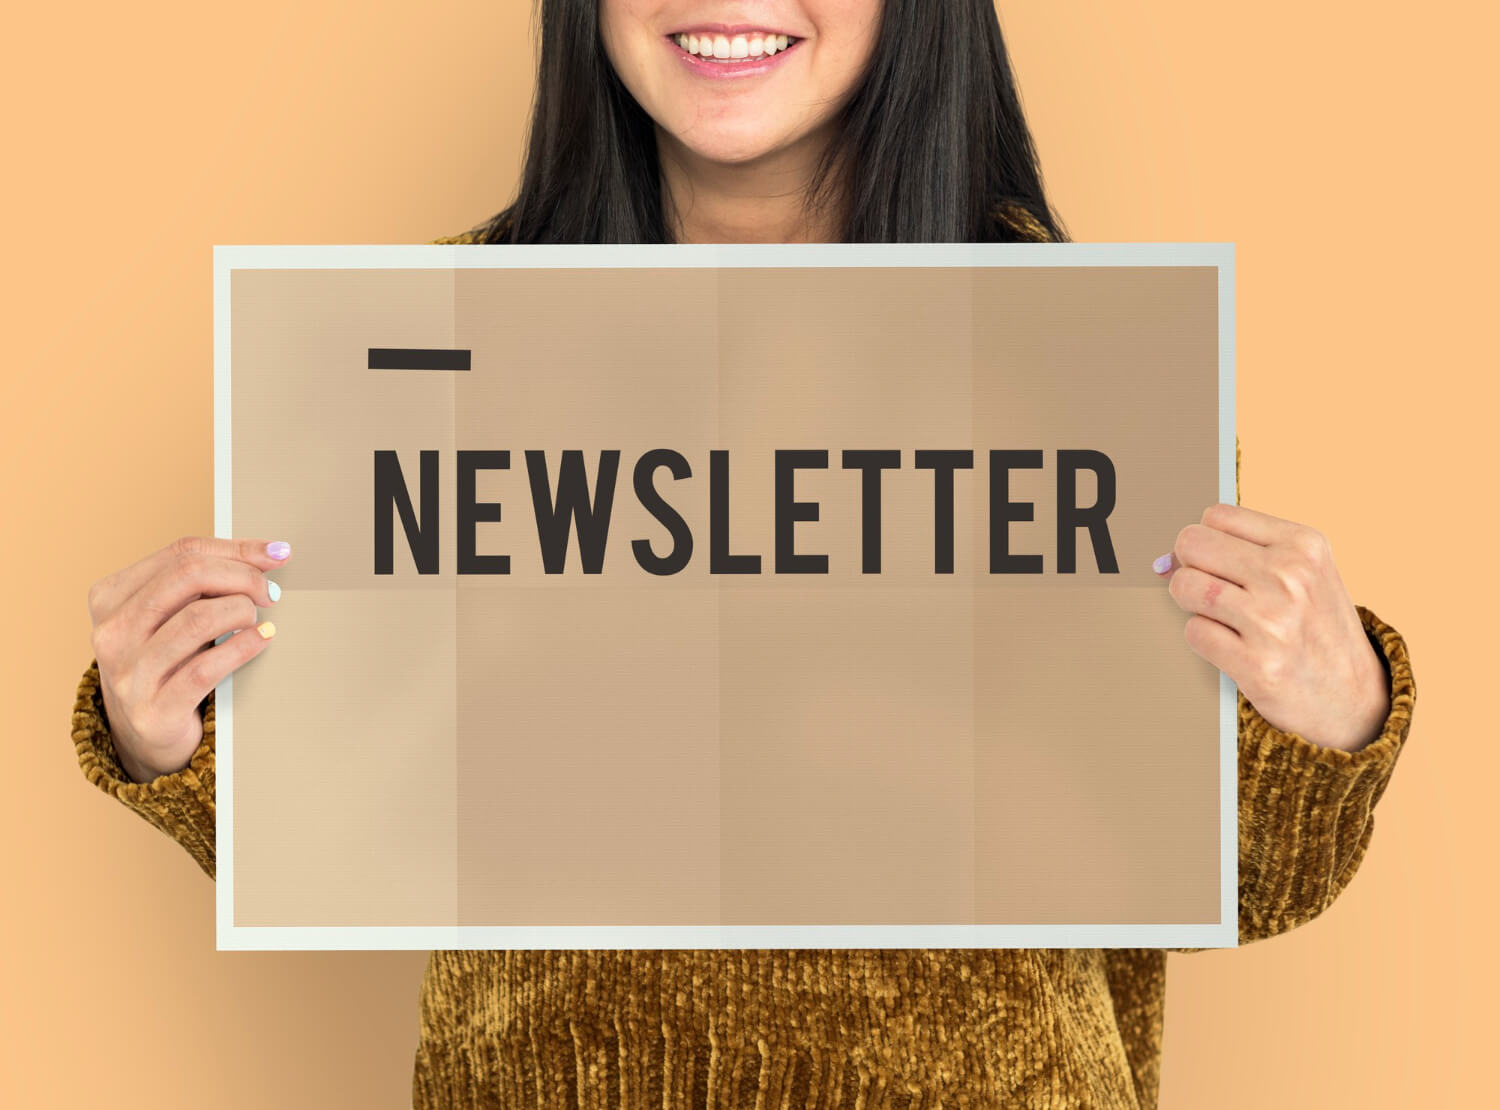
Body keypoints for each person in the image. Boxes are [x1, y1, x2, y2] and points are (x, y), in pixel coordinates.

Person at [71, 2, 1417, 1106]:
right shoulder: (425, 344)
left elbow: (1233, 881)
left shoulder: (1087, 365)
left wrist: (1331, 710)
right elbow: (367, 813)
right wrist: (173, 728)